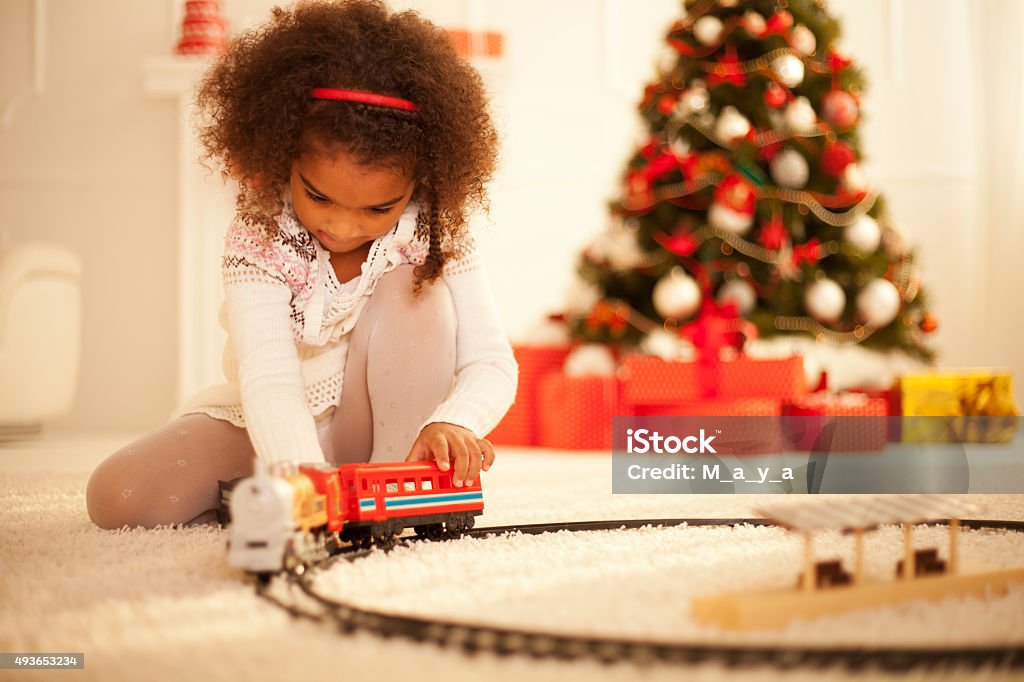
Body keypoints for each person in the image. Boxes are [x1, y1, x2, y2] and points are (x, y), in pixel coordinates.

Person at [87, 0, 517, 530]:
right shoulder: (259, 236)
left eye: (377, 208)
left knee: (416, 287)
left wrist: (455, 420)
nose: (341, 226)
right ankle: (298, 493)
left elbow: (492, 361)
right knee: (119, 497)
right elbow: (268, 377)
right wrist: (305, 478)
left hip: (386, 430)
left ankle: (390, 489)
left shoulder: (435, 230)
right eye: (319, 196)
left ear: (420, 181)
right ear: (282, 153)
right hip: (275, 422)